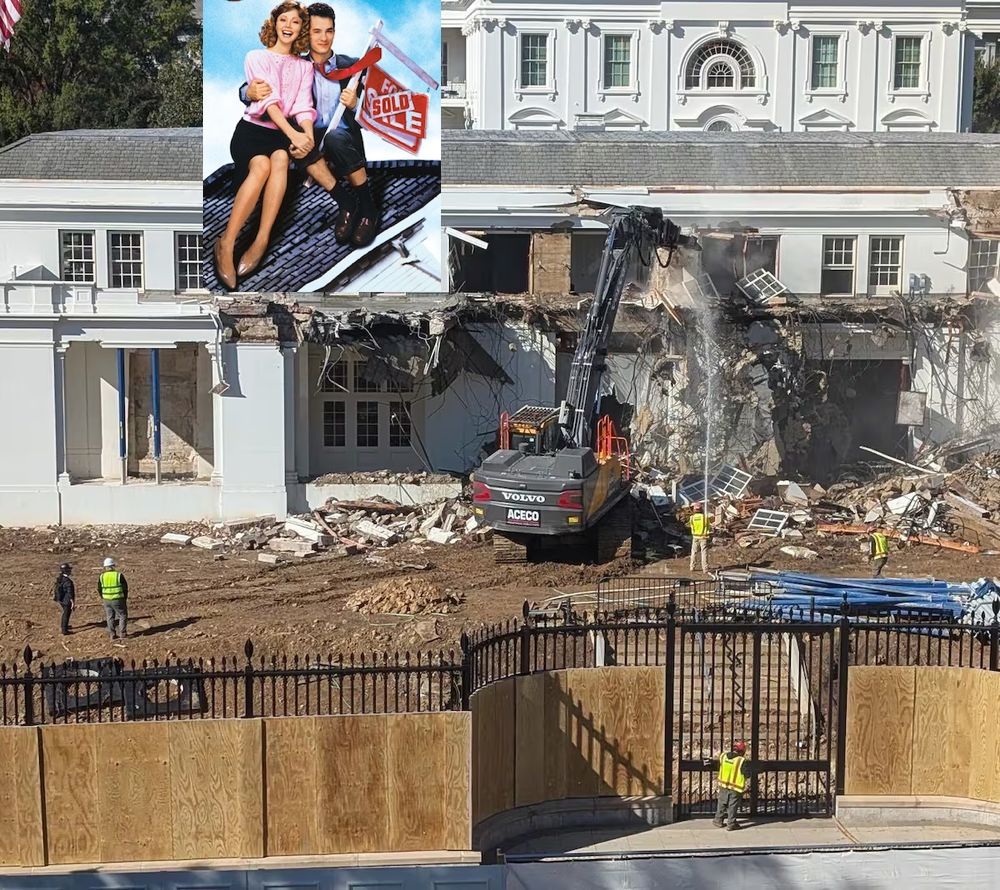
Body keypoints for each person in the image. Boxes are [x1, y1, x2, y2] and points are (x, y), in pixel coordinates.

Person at [242, 2, 380, 249]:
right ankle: (346, 204)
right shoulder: (297, 66)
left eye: (329, 31)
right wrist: (247, 91)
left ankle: (368, 209)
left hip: (346, 145)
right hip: (314, 146)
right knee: (293, 141)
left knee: (336, 137)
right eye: (317, 31)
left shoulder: (354, 66)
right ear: (307, 32)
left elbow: (378, 113)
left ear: (334, 32)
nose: (323, 38)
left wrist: (356, 104)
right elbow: (262, 84)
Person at [214, 2, 317, 289]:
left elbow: (303, 106)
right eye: (283, 19)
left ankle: (261, 241)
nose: (288, 26)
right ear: (274, 23)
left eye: (295, 22)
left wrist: (306, 136)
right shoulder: (256, 57)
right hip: (252, 131)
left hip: (282, 136)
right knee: (261, 166)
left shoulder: (304, 67)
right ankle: (227, 242)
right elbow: (269, 102)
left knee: (282, 159)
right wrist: (293, 134)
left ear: (301, 29)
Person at [710, 740, 753, 830]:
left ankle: (718, 820)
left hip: (723, 784)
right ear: (742, 751)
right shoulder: (741, 761)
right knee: (732, 805)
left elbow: (719, 766)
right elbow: (747, 774)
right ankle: (731, 823)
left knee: (721, 803)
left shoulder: (723, 756)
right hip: (735, 787)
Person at [98, 557, 129, 641]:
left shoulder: (102, 576)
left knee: (110, 617)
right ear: (113, 566)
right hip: (118, 598)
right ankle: (122, 633)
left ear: (105, 567)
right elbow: (125, 587)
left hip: (106, 600)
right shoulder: (118, 575)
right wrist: (124, 598)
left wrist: (103, 597)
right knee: (122, 615)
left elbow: (99, 589)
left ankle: (112, 634)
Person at [52, 563, 75, 636]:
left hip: (60, 599)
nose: (70, 571)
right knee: (66, 614)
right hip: (66, 600)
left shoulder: (60, 578)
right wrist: (72, 602)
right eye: (69, 570)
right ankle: (64, 630)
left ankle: (64, 626)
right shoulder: (68, 581)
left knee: (65, 613)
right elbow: (70, 592)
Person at [689, 501, 712, 573]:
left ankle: (692, 567)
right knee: (704, 552)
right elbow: (708, 527)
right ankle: (705, 569)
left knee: (694, 552)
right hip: (703, 537)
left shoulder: (692, 518)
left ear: (694, 509)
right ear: (701, 509)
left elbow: (691, 527)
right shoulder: (705, 517)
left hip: (695, 537)